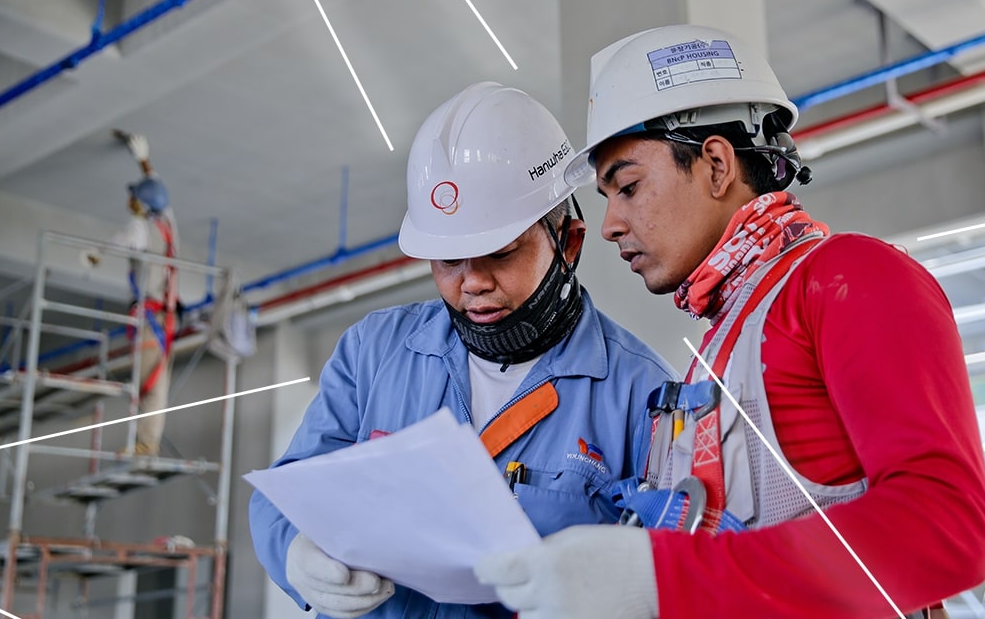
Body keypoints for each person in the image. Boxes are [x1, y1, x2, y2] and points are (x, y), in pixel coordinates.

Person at [474, 25, 985, 618]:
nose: (612, 224)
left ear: (717, 164)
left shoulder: (849, 278)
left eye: (628, 186)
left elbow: (944, 529)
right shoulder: (722, 347)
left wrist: (660, 578)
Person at [248, 81, 679, 618]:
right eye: (448, 260)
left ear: (569, 241)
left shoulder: (643, 395)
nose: (471, 283)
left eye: (499, 254)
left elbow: (671, 569)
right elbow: (287, 489)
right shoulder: (372, 353)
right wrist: (293, 549)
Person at [82, 131, 179, 457]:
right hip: (162, 315)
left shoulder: (140, 228)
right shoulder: (166, 223)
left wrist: (95, 253)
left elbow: (121, 239)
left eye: (134, 197)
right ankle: (146, 442)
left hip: (150, 317)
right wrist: (143, 160)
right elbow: (159, 191)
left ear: (140, 204)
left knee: (148, 383)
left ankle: (145, 445)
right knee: (154, 380)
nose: (130, 200)